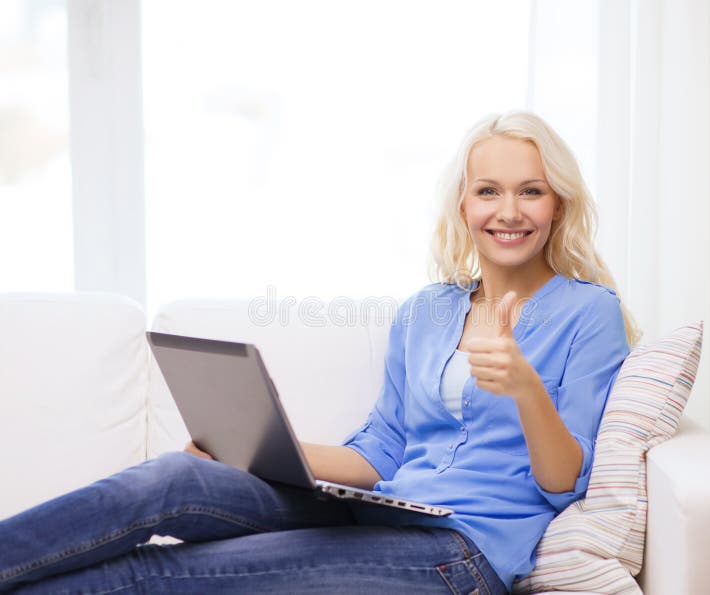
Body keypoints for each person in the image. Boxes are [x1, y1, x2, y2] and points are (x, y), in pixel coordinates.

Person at [0, 110, 640, 594]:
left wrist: (526, 388)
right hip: (384, 514)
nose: (509, 211)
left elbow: (565, 485)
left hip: (460, 554)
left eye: (531, 190)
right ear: (464, 205)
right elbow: (381, 450)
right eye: (489, 191)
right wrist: (251, 453)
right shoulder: (428, 310)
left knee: (166, 572)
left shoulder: (590, 313)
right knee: (175, 479)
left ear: (557, 206)